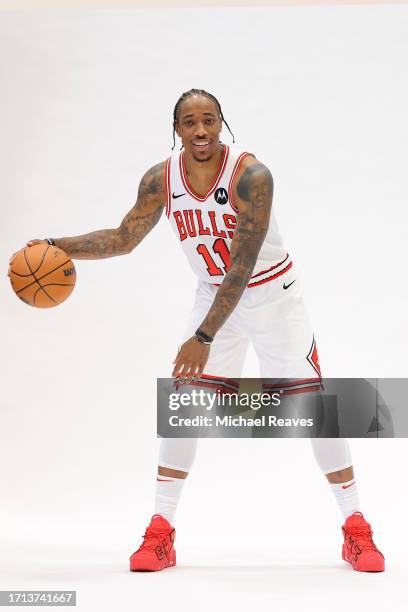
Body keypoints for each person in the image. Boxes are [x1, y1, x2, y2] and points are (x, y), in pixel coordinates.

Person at [9, 88, 384, 573]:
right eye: (190, 122)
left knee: (314, 407)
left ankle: (355, 528)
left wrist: (203, 337)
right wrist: (57, 246)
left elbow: (243, 267)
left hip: (272, 296)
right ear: (177, 129)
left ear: (222, 124)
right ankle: (161, 532)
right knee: (186, 403)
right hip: (213, 295)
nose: (200, 130)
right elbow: (125, 238)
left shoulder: (252, 176)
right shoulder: (160, 179)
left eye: (209, 120)